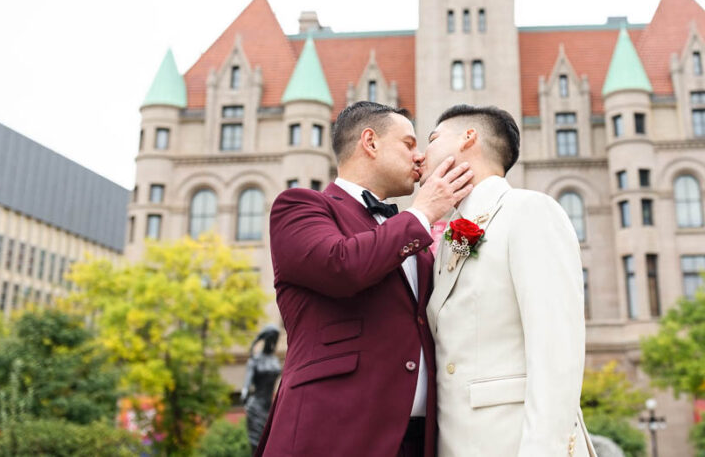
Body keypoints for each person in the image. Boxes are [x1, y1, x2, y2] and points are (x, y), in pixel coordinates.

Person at [256, 101, 474, 457]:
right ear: (370, 142)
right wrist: (423, 212)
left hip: (419, 441)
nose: (420, 158)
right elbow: (341, 267)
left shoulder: (408, 236)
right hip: (332, 434)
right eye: (408, 144)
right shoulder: (298, 206)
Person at [423, 105, 596, 457]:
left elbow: (555, 352)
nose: (420, 154)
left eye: (432, 139)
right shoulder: (450, 237)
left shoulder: (528, 211)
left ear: (468, 137)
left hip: (515, 442)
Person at [241, 324, 282, 453]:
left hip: (270, 408)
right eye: (271, 338)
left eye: (275, 339)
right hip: (256, 407)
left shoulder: (275, 361)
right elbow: (247, 385)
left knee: (271, 445)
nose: (273, 342)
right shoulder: (255, 360)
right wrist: (244, 394)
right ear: (266, 339)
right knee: (257, 446)